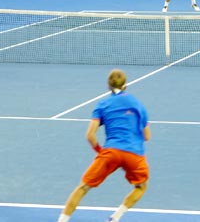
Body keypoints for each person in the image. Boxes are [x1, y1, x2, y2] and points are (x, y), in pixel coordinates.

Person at [57, 69, 150, 222]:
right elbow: (147, 136)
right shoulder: (138, 105)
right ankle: (115, 218)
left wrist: (100, 151)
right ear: (126, 84)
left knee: (83, 188)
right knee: (141, 186)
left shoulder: (103, 105)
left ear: (108, 86)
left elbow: (90, 136)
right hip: (135, 154)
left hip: (110, 153)